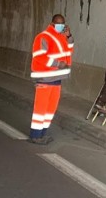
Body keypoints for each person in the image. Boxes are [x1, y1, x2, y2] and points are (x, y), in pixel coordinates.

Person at [28, 14, 73, 145]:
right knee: (40, 109)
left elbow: (69, 51)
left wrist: (69, 36)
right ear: (52, 24)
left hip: (57, 79)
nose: (61, 26)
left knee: (50, 109)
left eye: (63, 24)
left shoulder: (61, 37)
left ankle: (42, 133)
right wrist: (58, 64)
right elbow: (39, 57)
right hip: (44, 79)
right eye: (59, 24)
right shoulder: (42, 37)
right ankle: (35, 135)